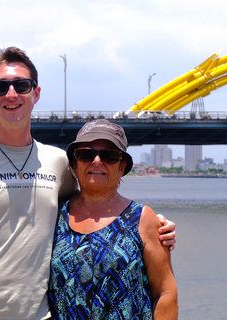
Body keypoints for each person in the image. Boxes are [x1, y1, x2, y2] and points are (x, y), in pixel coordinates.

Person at [0, 47, 176, 320]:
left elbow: (95, 200)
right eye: (0, 87)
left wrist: (154, 226)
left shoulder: (57, 162)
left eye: (22, 85)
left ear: (36, 93)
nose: (11, 94)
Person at [48, 119, 178, 319]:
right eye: (86, 153)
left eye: (109, 155)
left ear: (122, 166)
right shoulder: (54, 214)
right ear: (74, 163)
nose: (97, 160)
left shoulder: (142, 218)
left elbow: (165, 293)